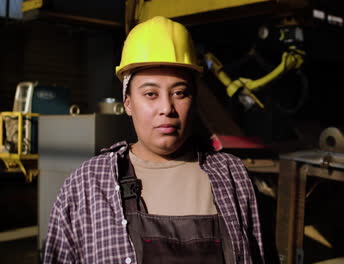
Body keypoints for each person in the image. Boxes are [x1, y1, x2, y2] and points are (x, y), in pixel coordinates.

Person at [43, 16, 265, 264]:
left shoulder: (232, 176)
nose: (166, 108)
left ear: (194, 100)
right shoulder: (87, 185)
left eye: (179, 93)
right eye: (150, 94)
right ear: (128, 103)